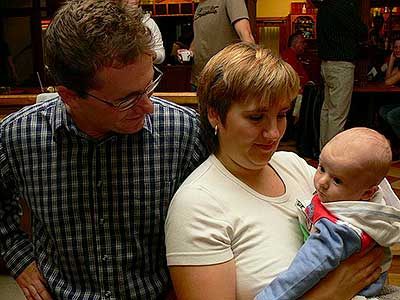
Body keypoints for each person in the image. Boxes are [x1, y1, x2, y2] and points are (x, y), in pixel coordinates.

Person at [0, 1, 207, 299]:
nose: (148, 107)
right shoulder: (17, 138)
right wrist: (19, 260)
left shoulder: (185, 132)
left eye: (149, 86)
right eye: (126, 100)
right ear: (69, 96)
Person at [165, 42, 387, 300]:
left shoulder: (291, 165)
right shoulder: (197, 206)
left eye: (281, 115)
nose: (273, 133)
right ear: (215, 115)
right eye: (256, 118)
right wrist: (333, 292)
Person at [256, 127, 400, 300]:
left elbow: (303, 273)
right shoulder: (357, 196)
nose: (322, 182)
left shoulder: (339, 230)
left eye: (338, 180)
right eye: (321, 168)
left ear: (367, 193)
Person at [317, 0, 368, 149]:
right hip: (341, 65)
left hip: (326, 64)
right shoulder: (344, 6)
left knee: (326, 111)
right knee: (337, 114)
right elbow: (362, 32)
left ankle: (323, 150)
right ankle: (332, 155)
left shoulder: (323, 6)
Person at [188, 0, 255, 90]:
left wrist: (254, 72)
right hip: (199, 80)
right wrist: (189, 52)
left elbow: (246, 34)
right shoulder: (200, 5)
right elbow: (199, 36)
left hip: (224, 81)